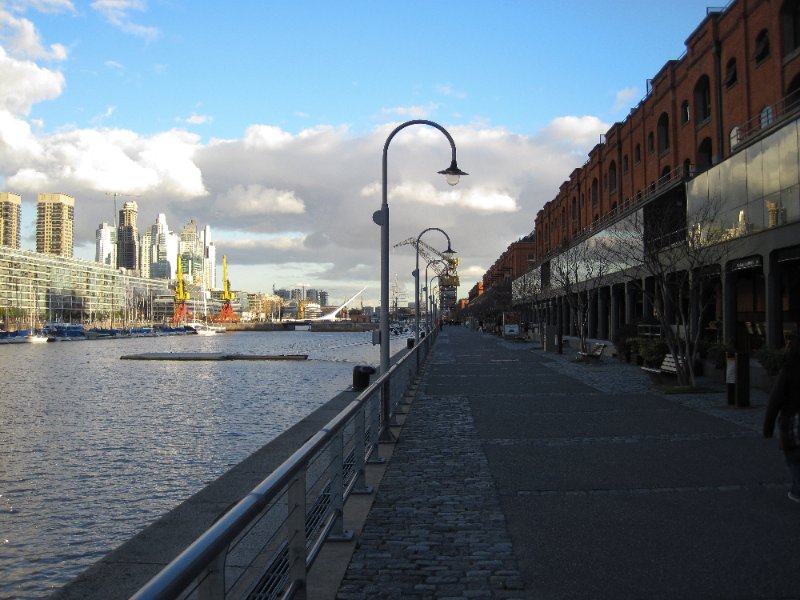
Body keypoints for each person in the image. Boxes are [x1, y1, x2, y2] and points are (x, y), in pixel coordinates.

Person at [763, 337, 800, 503]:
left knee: (793, 456)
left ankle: (798, 489)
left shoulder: (789, 369)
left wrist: (768, 427)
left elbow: (774, 400)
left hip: (793, 420)